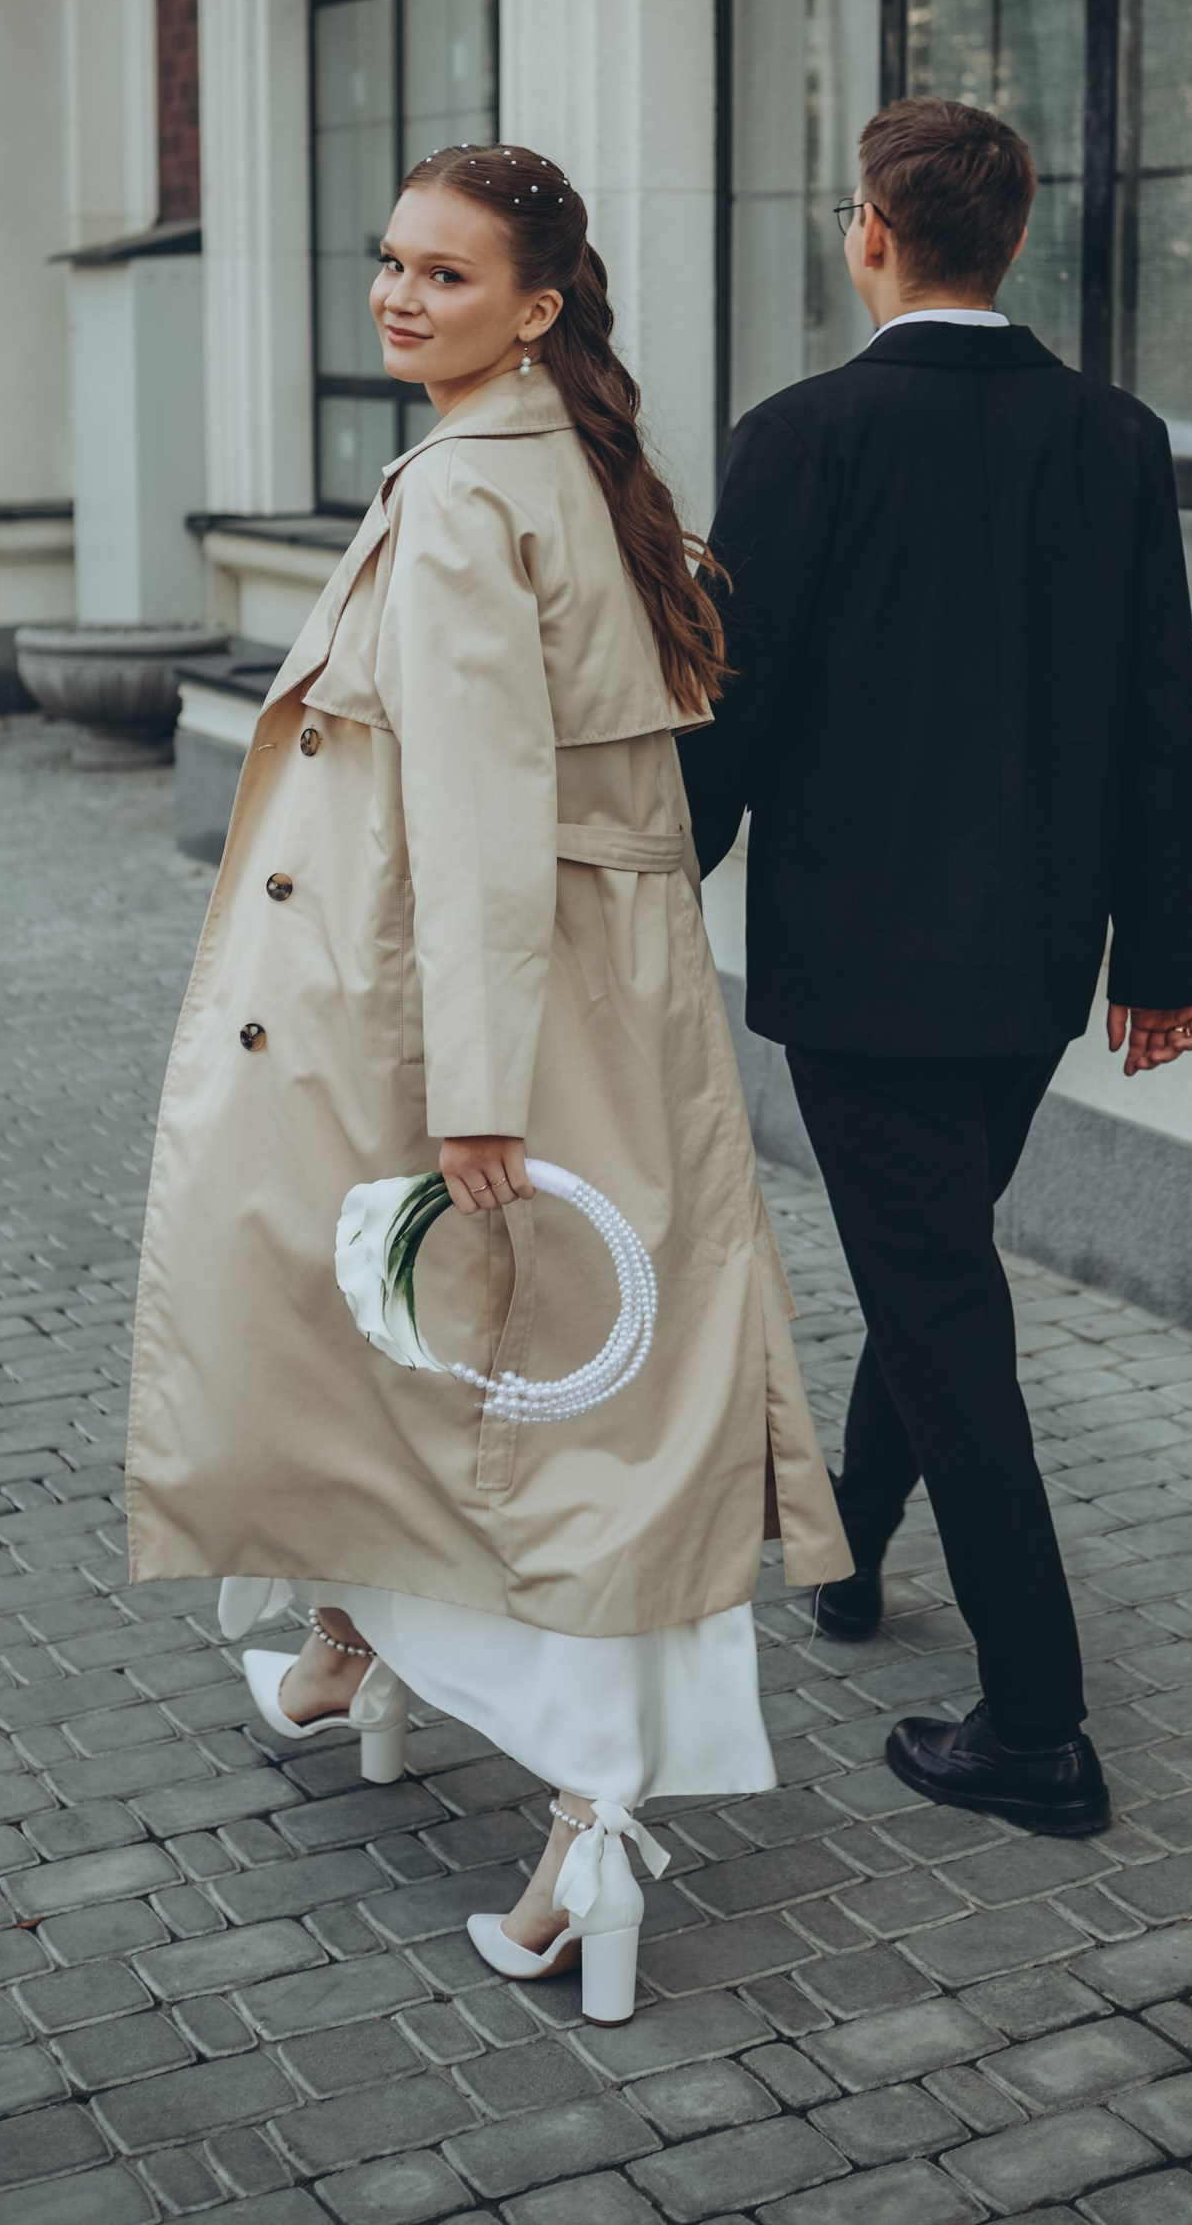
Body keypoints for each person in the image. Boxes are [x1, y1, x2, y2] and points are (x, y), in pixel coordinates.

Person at [128, 142, 850, 2025]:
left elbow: (470, 812)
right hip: (584, 1000)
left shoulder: (469, 495)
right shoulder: (561, 460)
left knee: (525, 1395)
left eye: (445, 277)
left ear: (534, 309)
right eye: (390, 263)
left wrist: (473, 1093)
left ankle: (583, 1836)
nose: (397, 295)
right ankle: (356, 1650)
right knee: (495, 1375)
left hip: (479, 1025)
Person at [682, 94, 1192, 1837]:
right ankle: (846, 1553)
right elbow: (1161, 721)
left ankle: (1038, 1726)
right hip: (1039, 967)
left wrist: (638, 895)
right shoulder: (1115, 437)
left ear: (871, 232)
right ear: (1015, 236)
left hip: (861, 972)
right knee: (932, 1266)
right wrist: (1166, 953)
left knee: (939, 1302)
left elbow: (727, 719)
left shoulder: (800, 436)